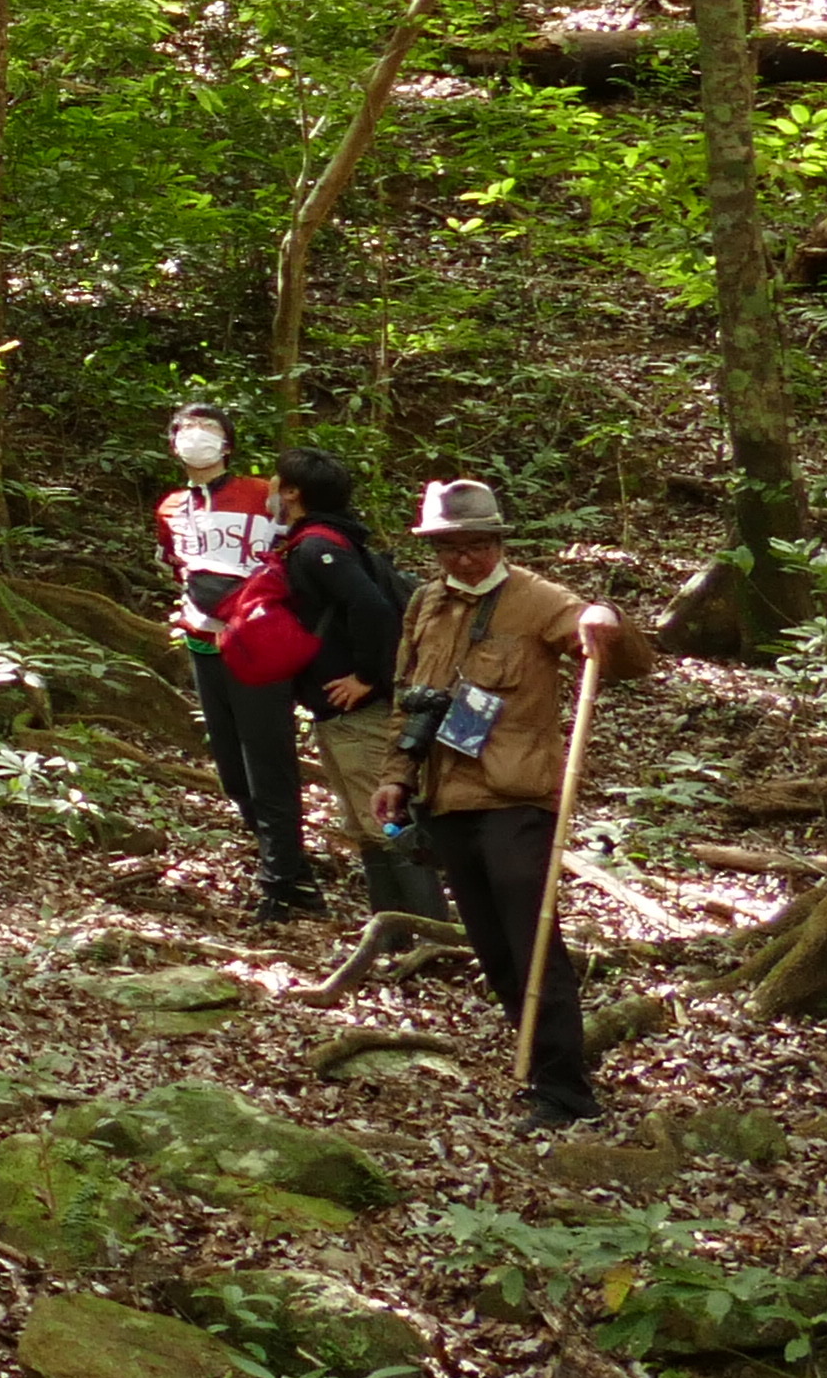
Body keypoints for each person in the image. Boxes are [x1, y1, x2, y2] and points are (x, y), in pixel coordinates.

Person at [381, 477, 645, 1126]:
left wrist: (605, 620)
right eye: (448, 547)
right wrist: (397, 776)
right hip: (447, 801)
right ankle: (537, 1067)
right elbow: (407, 700)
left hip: (517, 800)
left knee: (532, 944)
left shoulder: (539, 600)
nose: (462, 559)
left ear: (498, 541)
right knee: (493, 948)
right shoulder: (425, 605)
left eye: (474, 545)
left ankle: (566, 1092)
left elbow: (626, 662)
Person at [261, 448, 433, 929]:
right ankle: (393, 935)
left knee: (387, 822)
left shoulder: (318, 548)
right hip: (336, 714)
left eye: (278, 482)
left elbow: (373, 609)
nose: (270, 489)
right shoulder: (323, 541)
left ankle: (429, 936)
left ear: (293, 492)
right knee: (365, 824)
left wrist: (367, 677)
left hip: (361, 712)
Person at [154, 405, 302, 917]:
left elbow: (295, 552)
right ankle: (278, 858)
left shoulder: (265, 495)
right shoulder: (170, 507)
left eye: (210, 429)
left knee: (270, 763)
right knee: (232, 771)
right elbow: (180, 567)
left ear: (229, 444)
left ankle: (287, 882)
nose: (197, 437)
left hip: (258, 644)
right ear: (172, 443)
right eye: (185, 430)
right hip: (203, 646)